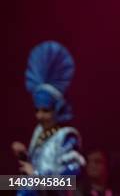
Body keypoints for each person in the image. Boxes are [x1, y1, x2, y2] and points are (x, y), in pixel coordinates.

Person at [11, 41, 85, 196]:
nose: (40, 116)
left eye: (46, 111)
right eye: (37, 110)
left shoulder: (67, 136)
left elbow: (70, 179)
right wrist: (24, 155)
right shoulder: (39, 132)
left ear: (58, 109)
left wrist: (36, 177)